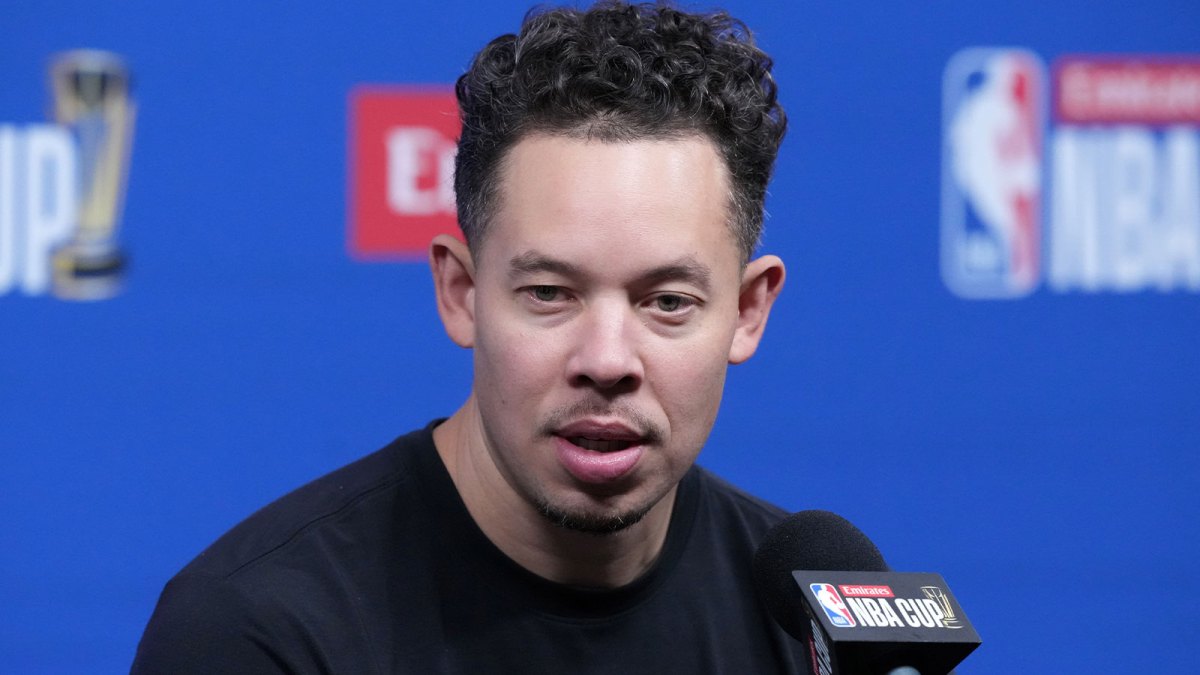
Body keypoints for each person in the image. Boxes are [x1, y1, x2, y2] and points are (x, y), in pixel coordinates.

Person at [133, 1, 801, 672]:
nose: (606, 359)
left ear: (747, 311)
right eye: (549, 293)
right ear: (461, 292)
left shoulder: (813, 624)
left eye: (666, 301)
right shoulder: (255, 633)